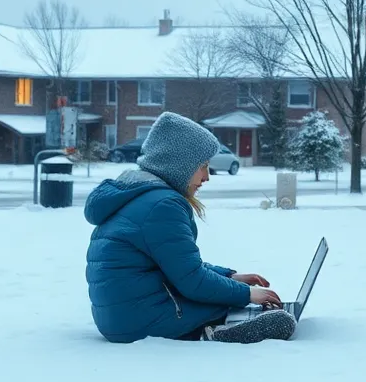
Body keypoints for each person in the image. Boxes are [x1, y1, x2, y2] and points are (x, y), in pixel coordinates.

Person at [84, 111, 298, 343]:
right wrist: (247, 295)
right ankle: (212, 332)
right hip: (143, 319)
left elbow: (178, 267)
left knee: (224, 300)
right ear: (180, 165)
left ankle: (218, 325)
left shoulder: (137, 194)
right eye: (203, 166)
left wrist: (232, 277)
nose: (207, 177)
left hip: (121, 317)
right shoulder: (163, 204)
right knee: (234, 308)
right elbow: (192, 281)